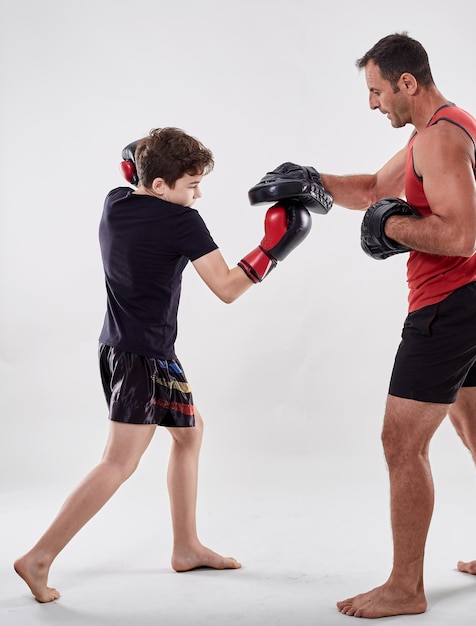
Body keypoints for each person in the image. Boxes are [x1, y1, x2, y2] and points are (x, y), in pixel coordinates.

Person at [13, 127, 314, 603]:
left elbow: (136, 158)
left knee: (189, 434)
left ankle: (186, 546)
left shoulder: (115, 201)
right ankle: (39, 557)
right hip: (144, 357)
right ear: (159, 186)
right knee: (118, 462)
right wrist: (275, 247)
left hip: (118, 348)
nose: (198, 195)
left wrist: (152, 153)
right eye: (192, 185)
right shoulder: (182, 223)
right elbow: (228, 288)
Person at [301, 32, 476, 618]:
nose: (373, 104)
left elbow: (460, 235)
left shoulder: (441, 142)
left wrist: (392, 230)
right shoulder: (440, 130)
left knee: (400, 443)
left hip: (447, 307)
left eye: (378, 92)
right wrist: (310, 181)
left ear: (408, 83)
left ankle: (406, 587)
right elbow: (377, 191)